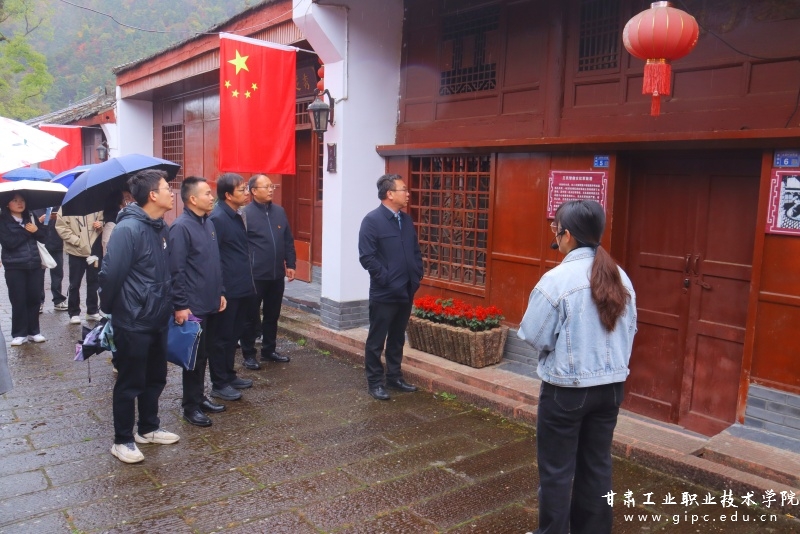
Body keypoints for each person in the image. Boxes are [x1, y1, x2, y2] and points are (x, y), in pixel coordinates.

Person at [518, 200, 637, 534]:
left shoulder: (557, 280)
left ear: (566, 234)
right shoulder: (622, 278)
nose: (555, 235)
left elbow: (534, 335)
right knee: (597, 466)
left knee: (557, 472)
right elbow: (630, 330)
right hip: (611, 389)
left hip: (566, 392)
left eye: (556, 229)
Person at [99, 169, 180, 464]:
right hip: (133, 320)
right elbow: (110, 275)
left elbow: (168, 272)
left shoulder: (160, 227)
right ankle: (122, 440)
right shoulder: (128, 229)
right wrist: (112, 310)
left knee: (155, 377)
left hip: (158, 317)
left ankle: (149, 427)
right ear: (153, 195)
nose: (172, 193)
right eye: (167, 188)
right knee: (130, 382)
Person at [358, 174, 423, 401]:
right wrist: (386, 279)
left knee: (397, 338)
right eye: (403, 189)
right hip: (384, 292)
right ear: (390, 194)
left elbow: (415, 250)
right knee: (377, 340)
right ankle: (375, 382)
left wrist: (417, 274)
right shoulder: (372, 221)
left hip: (406, 289)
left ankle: (394, 377)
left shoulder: (406, 220)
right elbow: (367, 257)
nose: (407, 194)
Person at [168, 176, 227, 427]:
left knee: (205, 354)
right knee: (193, 358)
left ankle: (200, 397)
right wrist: (180, 305)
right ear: (192, 199)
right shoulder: (181, 227)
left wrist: (220, 291)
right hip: (193, 306)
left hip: (210, 300)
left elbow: (214, 262)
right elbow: (176, 270)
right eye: (207, 194)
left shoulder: (208, 223)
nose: (212, 197)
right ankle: (190, 406)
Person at [240, 174, 296, 370]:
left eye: (272, 186)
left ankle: (269, 349)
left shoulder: (279, 211)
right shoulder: (245, 214)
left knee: (272, 315)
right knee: (250, 316)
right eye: (266, 187)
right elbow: (239, 245)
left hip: (276, 274)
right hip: (254, 275)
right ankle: (248, 353)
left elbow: (287, 239)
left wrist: (290, 263)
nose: (271, 189)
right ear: (254, 191)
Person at [208, 173, 255, 401]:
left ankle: (229, 375)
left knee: (234, 335)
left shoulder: (236, 214)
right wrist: (220, 290)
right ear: (228, 195)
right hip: (228, 288)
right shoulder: (217, 218)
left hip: (242, 285)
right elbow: (214, 256)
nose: (247, 193)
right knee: (222, 337)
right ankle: (219, 383)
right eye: (242, 190)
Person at [0, 193, 48, 346]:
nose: (19, 203)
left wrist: (36, 230)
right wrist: (28, 232)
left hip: (34, 264)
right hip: (14, 265)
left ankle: (34, 331)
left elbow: (43, 237)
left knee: (34, 298)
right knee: (18, 299)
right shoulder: (3, 220)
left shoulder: (31, 217)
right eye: (15, 200)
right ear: (7, 204)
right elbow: (9, 243)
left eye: (22, 200)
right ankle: (19, 333)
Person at [56, 207, 104, 325]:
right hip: (76, 251)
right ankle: (74, 312)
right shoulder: (67, 207)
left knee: (94, 281)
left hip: (94, 249)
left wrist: (100, 224)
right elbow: (61, 227)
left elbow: (104, 220)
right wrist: (77, 241)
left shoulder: (97, 205)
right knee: (75, 282)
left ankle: (92, 310)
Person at [32, 206, 67, 312]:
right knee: (39, 274)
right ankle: (39, 301)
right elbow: (29, 224)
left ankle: (58, 300)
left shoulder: (59, 208)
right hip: (40, 245)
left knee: (58, 273)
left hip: (57, 243)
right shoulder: (35, 207)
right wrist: (40, 220)